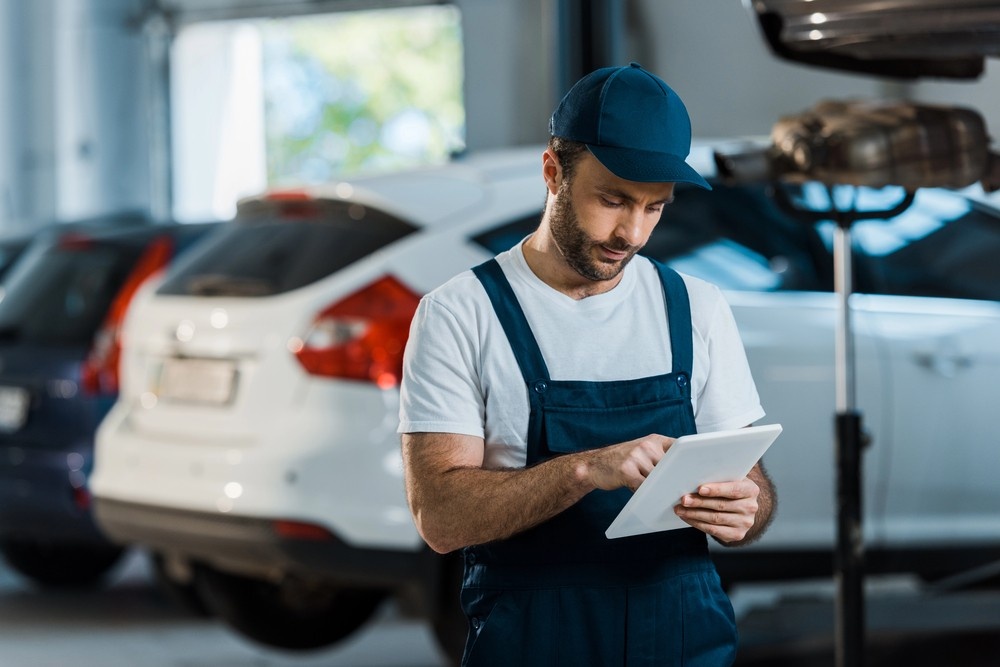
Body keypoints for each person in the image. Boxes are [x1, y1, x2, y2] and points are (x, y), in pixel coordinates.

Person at [398, 62, 776, 667]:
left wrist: (744, 509)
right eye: (613, 199)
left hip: (684, 631)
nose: (632, 231)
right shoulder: (459, 314)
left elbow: (752, 482)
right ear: (553, 170)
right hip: (535, 639)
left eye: (655, 208)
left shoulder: (696, 308)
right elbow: (440, 518)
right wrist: (583, 471)